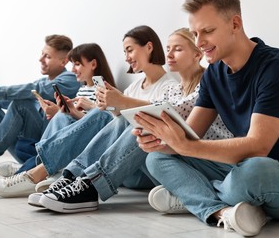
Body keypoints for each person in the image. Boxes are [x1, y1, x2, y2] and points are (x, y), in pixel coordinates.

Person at [132, 0, 279, 237]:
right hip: (241, 169)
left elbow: (258, 147)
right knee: (157, 159)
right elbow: (191, 135)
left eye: (207, 31)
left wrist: (185, 146)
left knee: (255, 169)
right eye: (194, 33)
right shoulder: (214, 73)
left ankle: (194, 194)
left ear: (235, 23)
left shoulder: (277, 68)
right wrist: (163, 140)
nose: (199, 42)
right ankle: (220, 211)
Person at [30, 28, 233, 213]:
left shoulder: (209, 83)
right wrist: (118, 104)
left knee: (144, 119)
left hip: (202, 160)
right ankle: (75, 177)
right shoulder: (174, 88)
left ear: (198, 54)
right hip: (168, 158)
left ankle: (87, 185)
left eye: (177, 49)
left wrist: (122, 101)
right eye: (168, 48)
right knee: (129, 118)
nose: (169, 54)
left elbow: (171, 113)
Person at [0, 25, 177, 198]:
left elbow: (160, 118)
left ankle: (38, 172)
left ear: (149, 47)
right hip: (117, 162)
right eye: (125, 52)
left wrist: (116, 103)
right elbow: (113, 127)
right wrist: (91, 110)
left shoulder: (169, 86)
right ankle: (55, 173)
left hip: (141, 167)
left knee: (103, 115)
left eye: (130, 50)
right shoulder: (134, 87)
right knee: (76, 115)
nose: (127, 57)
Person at [0, 34, 81, 178]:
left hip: (40, 151)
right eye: (42, 54)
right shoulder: (42, 81)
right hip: (23, 146)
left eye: (48, 57)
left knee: (21, 102)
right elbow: (9, 100)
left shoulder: (71, 79)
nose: (40, 59)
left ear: (63, 61)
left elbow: (36, 89)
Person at [0, 43, 117, 176]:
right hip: (74, 135)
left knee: (61, 117)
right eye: (72, 65)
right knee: (60, 115)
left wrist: (79, 110)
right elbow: (81, 119)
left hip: (85, 142)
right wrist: (64, 110)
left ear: (93, 64)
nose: (73, 70)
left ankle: (30, 169)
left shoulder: (104, 91)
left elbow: (103, 125)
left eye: (77, 64)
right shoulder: (82, 89)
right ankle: (33, 166)